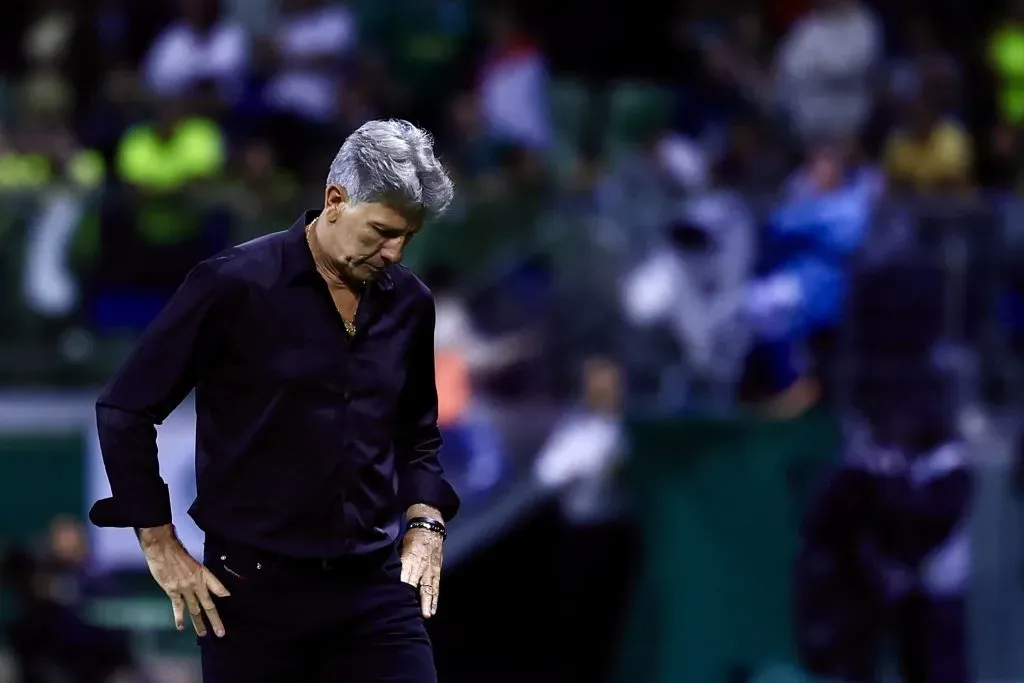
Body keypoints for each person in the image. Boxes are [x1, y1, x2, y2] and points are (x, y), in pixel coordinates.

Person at [88, 119, 461, 683]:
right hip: (252, 594)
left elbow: (417, 435)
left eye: (408, 236)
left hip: (374, 590)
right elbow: (124, 411)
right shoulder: (232, 284)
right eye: (382, 231)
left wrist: (426, 523)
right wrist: (160, 543)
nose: (395, 252)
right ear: (335, 200)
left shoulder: (411, 303)